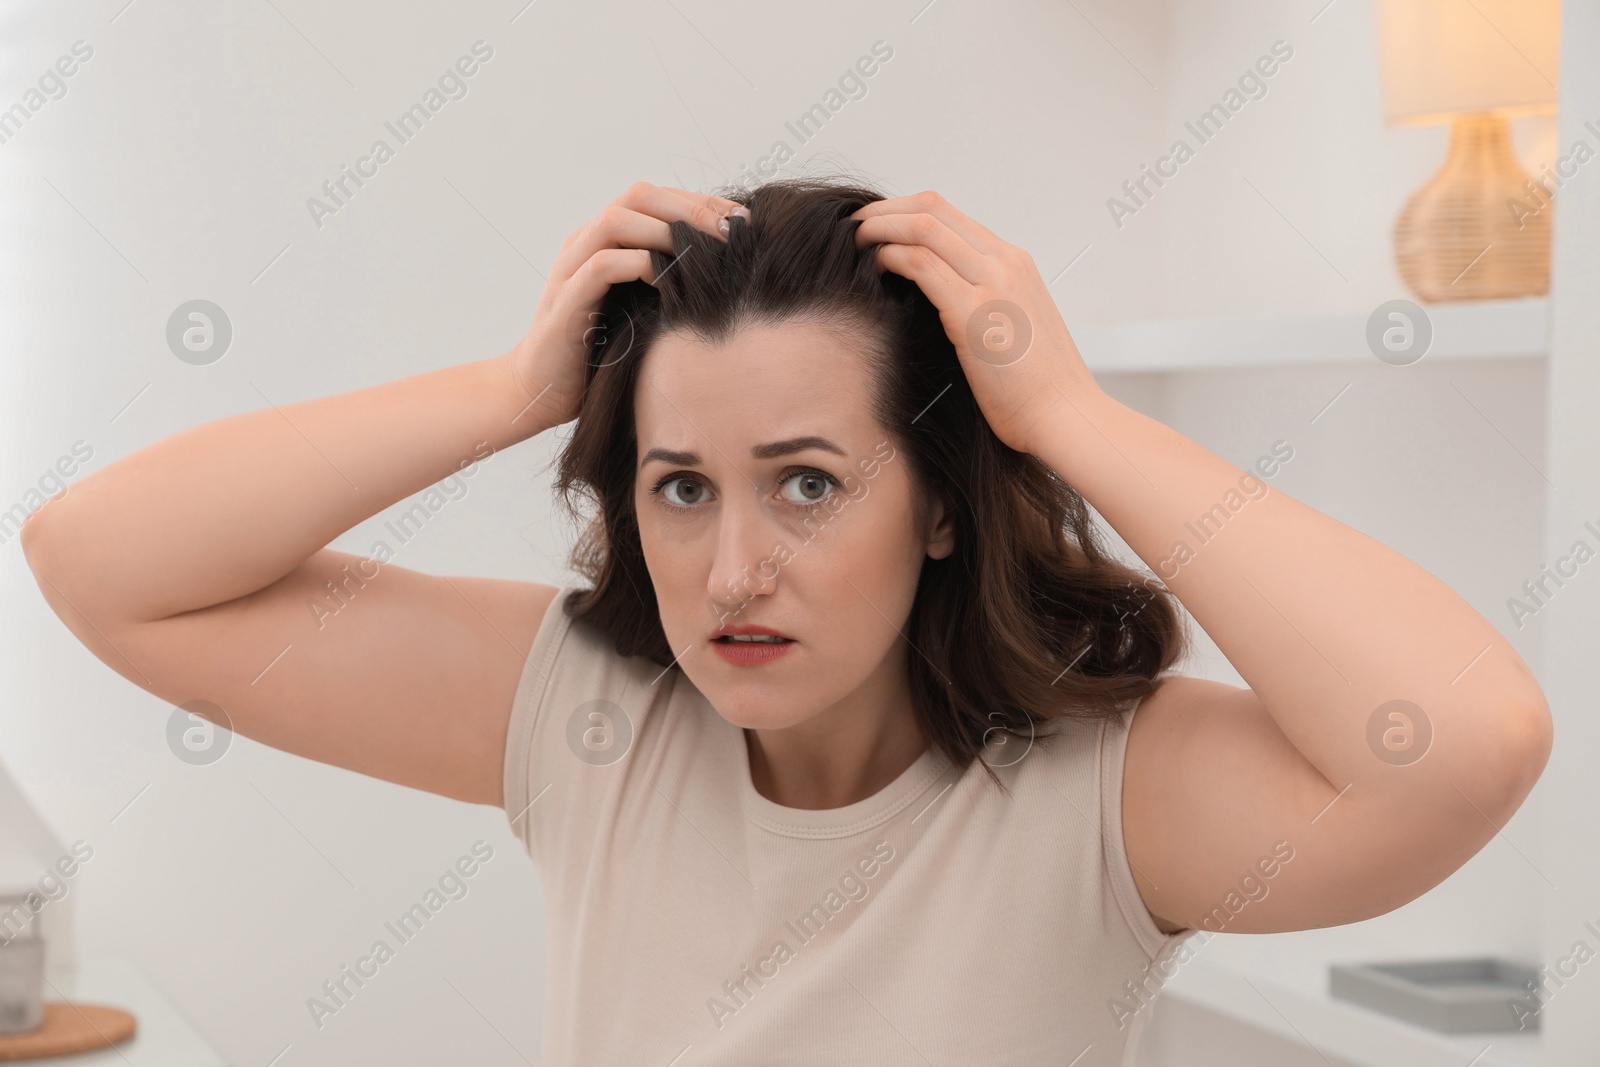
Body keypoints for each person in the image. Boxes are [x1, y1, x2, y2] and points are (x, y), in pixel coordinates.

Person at [20, 177, 1551, 1064]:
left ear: (942, 504)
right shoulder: (585, 710)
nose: (735, 567)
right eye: (680, 487)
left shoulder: (1097, 794)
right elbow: (101, 559)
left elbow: (1465, 740)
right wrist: (514, 392)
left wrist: (1069, 414)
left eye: (808, 485)